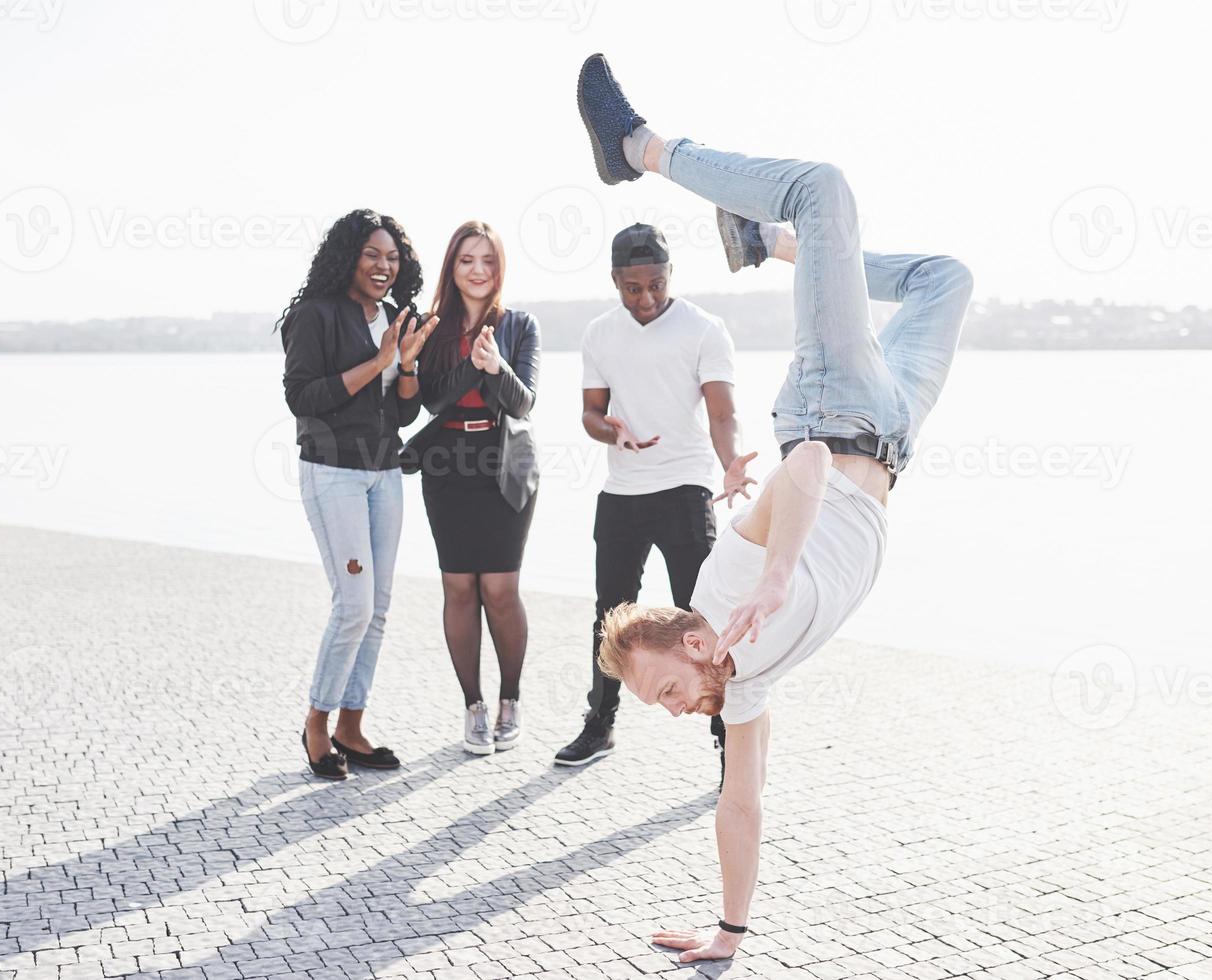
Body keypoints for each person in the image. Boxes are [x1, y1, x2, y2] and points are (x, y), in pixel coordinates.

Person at [576, 54, 974, 960]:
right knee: (944, 279)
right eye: (663, 707)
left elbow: (798, 462)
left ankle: (635, 146)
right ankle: (769, 248)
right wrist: (727, 934)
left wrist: (783, 568)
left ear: (690, 641)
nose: (677, 710)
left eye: (669, 691)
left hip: (833, 413)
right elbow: (740, 803)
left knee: (820, 186)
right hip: (894, 431)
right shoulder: (739, 685)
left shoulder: (724, 584)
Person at [552, 222, 756, 769]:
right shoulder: (599, 333)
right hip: (621, 492)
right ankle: (600, 723)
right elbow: (591, 413)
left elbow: (722, 412)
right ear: (616, 280)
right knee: (608, 617)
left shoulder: (704, 329)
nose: (646, 298)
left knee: (703, 616)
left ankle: (725, 734)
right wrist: (610, 431)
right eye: (633, 288)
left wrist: (730, 463)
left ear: (670, 276)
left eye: (657, 285)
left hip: (685, 491)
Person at [278, 209, 439, 781]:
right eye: (373, 255)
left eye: (393, 258)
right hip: (333, 473)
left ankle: (352, 724)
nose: (383, 266)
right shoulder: (313, 317)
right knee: (353, 605)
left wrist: (409, 364)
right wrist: (378, 361)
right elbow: (303, 398)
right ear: (348, 256)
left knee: (378, 608)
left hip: (383, 472)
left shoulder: (394, 317)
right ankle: (317, 724)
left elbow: (399, 411)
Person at [404, 221, 540, 756]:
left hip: (504, 464)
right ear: (451, 267)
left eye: (488, 260)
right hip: (446, 466)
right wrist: (471, 365)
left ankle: (511, 699)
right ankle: (473, 706)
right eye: (467, 260)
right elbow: (430, 403)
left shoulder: (520, 325)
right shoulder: (431, 326)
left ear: (499, 267)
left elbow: (524, 403)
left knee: (500, 590)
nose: (478, 270)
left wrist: (496, 364)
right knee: (459, 589)